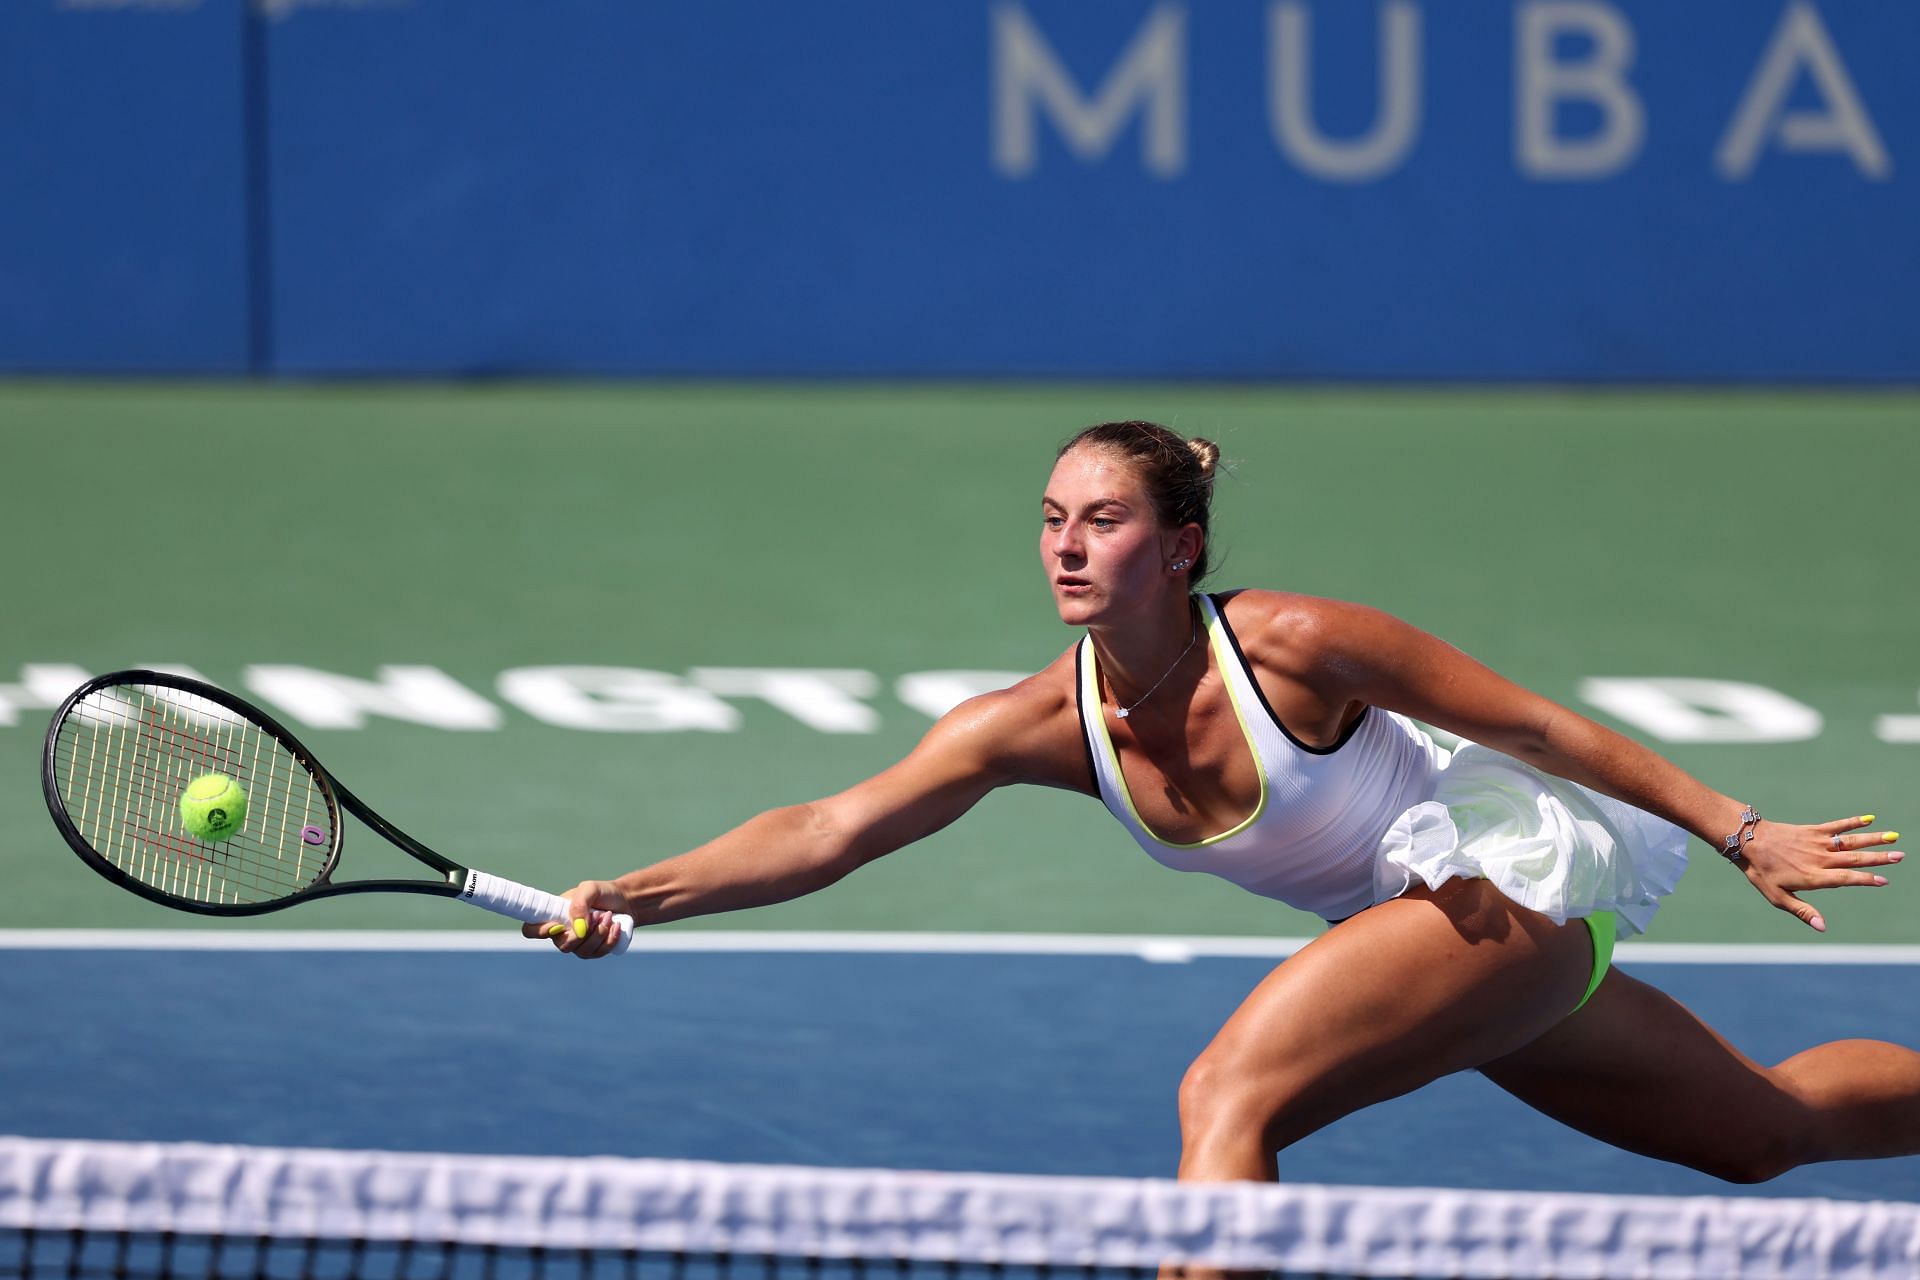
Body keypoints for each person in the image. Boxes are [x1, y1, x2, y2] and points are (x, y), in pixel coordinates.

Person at [531, 419, 1920, 1184]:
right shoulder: (1033, 726)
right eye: (1051, 519)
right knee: (1764, 1132)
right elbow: (833, 828)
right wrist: (633, 894)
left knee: (1226, 1096)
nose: (1068, 546)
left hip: (1502, 897)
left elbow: (1537, 723)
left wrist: (1735, 828)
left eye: (1106, 520)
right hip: (1438, 963)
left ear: (1181, 544)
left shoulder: (1297, 646)